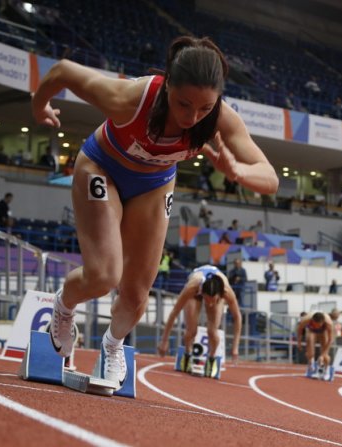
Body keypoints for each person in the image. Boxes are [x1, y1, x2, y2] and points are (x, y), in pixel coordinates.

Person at [32, 36, 278, 388]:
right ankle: (63, 307)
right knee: (104, 276)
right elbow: (62, 71)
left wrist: (237, 171)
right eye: (184, 104)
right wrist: (39, 107)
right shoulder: (131, 99)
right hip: (102, 168)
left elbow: (270, 179)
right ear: (167, 87)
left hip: (154, 185)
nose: (193, 118)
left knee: (135, 295)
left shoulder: (220, 119)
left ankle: (112, 346)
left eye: (205, 108)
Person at [158, 265, 242, 376]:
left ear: (219, 296)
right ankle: (187, 354)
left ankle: (211, 359)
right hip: (196, 291)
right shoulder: (192, 287)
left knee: (212, 331)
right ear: (202, 292)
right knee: (191, 331)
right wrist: (164, 340)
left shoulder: (226, 291)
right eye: (207, 300)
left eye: (213, 300)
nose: (210, 304)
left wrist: (235, 347)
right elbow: (174, 312)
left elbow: (237, 317)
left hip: (217, 288)